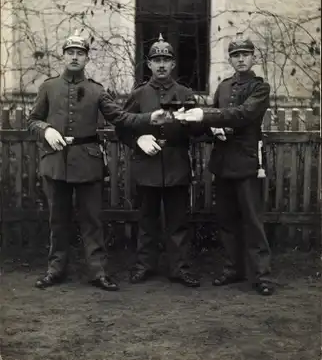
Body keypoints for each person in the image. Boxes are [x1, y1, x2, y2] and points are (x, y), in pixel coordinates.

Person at [27, 31, 168, 291]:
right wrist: (46, 129)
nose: (74, 57)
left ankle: (98, 272)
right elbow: (33, 119)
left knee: (92, 221)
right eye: (70, 53)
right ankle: (55, 270)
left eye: (80, 53)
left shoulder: (96, 90)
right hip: (55, 161)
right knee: (57, 220)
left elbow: (121, 117)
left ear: (86, 58)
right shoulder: (48, 87)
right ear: (63, 56)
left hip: (87, 162)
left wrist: (149, 119)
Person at [174, 33, 274, 296]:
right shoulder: (224, 87)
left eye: (245, 55)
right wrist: (205, 126)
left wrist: (207, 116)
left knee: (252, 221)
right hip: (223, 162)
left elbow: (244, 115)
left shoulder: (260, 88)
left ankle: (261, 275)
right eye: (236, 55)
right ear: (230, 59)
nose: (241, 59)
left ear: (253, 58)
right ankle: (232, 269)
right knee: (227, 220)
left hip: (247, 162)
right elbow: (216, 122)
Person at [115, 34, 203, 287]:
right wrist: (138, 140)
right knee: (146, 221)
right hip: (147, 165)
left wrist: (194, 122)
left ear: (173, 64)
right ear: (149, 65)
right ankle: (145, 266)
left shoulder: (185, 93)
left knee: (178, 221)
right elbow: (123, 127)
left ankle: (180, 268)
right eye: (157, 60)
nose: (162, 64)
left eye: (166, 59)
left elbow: (197, 132)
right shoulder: (139, 94)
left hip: (176, 163)